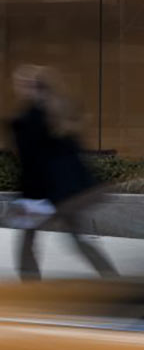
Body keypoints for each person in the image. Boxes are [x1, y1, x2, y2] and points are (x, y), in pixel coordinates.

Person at [8, 65, 116, 281]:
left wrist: (26, 198)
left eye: (23, 84)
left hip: (45, 192)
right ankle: (111, 277)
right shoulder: (59, 112)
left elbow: (33, 160)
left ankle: (30, 289)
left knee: (29, 242)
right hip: (65, 191)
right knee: (75, 240)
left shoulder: (34, 117)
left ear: (33, 88)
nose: (19, 88)